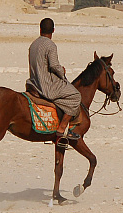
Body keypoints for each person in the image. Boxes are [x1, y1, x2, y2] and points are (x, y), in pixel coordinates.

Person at [25, 17, 82, 146]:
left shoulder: (33, 44)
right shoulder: (50, 45)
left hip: (33, 82)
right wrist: (62, 71)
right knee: (75, 95)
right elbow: (54, 66)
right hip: (46, 86)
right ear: (53, 30)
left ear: (40, 29)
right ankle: (62, 128)